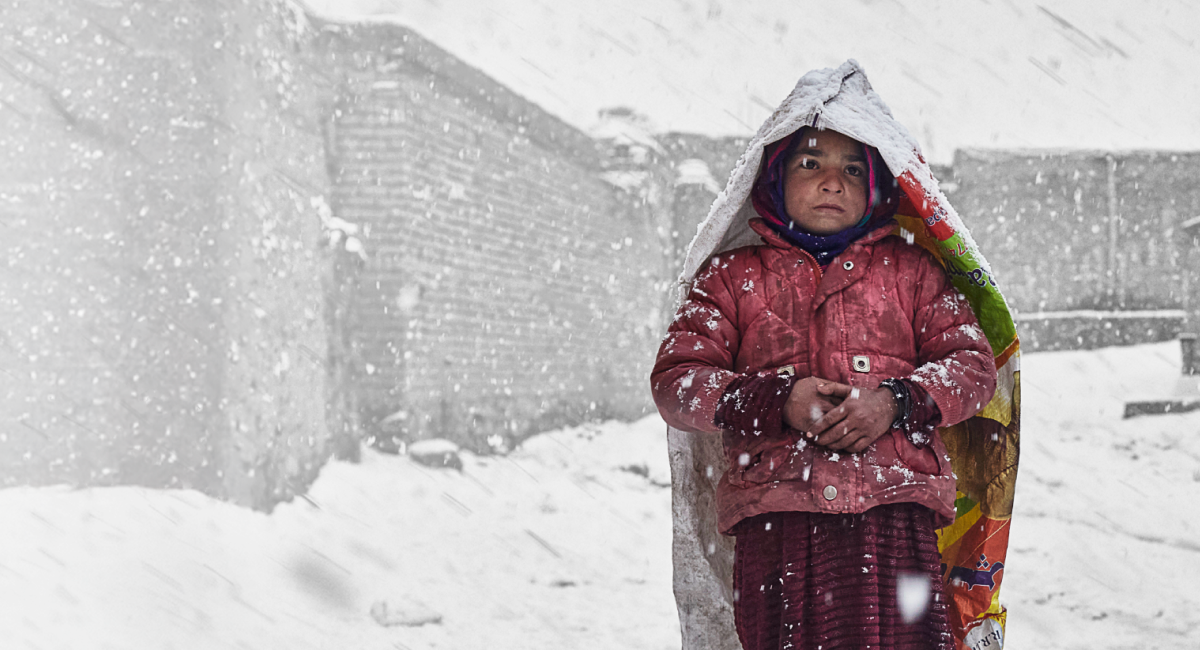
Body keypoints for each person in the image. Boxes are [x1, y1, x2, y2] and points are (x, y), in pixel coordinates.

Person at [650, 62, 999, 650]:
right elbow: (677, 381)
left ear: (879, 187)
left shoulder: (914, 273)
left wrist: (894, 402)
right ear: (773, 179)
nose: (832, 182)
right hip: (778, 527)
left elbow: (973, 365)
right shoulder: (731, 278)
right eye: (811, 164)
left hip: (896, 524)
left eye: (853, 169)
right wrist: (778, 401)